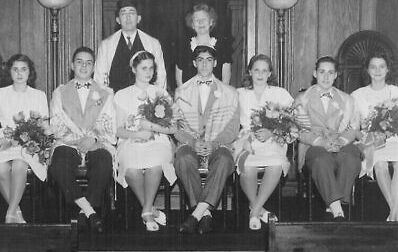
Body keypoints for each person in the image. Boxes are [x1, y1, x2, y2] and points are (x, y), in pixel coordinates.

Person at [48, 47, 116, 233]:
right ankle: (90, 212)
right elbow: (56, 122)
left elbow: (108, 122)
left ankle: (85, 212)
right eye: (79, 61)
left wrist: (92, 138)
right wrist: (78, 139)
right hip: (69, 142)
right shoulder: (60, 92)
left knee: (103, 161)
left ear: (94, 67)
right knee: (59, 164)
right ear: (72, 65)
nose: (84, 66)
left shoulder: (105, 93)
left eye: (88, 62)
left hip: (96, 141)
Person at [174, 45, 239, 234]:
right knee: (183, 159)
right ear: (194, 63)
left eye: (208, 59)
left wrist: (214, 144)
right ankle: (205, 214)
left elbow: (233, 128)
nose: (204, 64)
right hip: (191, 143)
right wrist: (193, 142)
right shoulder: (182, 91)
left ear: (215, 63)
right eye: (200, 60)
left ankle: (196, 214)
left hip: (218, 144)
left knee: (225, 160)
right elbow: (176, 127)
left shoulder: (230, 92)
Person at [113, 51, 177, 231]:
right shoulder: (122, 95)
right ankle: (150, 210)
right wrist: (137, 135)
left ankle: (146, 212)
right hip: (131, 140)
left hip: (157, 140)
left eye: (151, 68)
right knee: (131, 170)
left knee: (155, 165)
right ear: (134, 69)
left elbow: (173, 128)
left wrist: (151, 128)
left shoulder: (160, 92)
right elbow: (118, 130)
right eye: (143, 68)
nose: (148, 72)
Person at [294, 56, 361, 221]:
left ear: (336, 75)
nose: (326, 77)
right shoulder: (303, 98)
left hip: (340, 142)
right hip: (314, 144)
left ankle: (332, 202)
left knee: (352, 158)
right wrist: (323, 142)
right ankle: (337, 208)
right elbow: (300, 131)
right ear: (314, 73)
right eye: (322, 72)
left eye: (330, 72)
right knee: (321, 161)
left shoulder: (347, 99)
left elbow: (353, 128)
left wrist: (341, 141)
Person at [0, 54, 49, 223]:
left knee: (19, 164)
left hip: (29, 144)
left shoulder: (39, 95)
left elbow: (43, 127)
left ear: (30, 72)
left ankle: (10, 213)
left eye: (24, 69)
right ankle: (18, 214)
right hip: (4, 142)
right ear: (10, 72)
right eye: (15, 69)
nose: (19, 73)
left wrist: (24, 140)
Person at [235, 54, 294, 230]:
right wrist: (244, 140)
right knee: (248, 167)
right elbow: (229, 122)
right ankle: (259, 209)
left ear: (270, 74)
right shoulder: (239, 93)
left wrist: (272, 132)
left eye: (264, 71)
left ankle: (254, 210)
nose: (260, 75)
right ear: (250, 72)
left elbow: (292, 120)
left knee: (276, 164)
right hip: (248, 141)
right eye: (256, 70)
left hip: (273, 140)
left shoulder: (280, 93)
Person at [351, 53, 398, 222]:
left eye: (381, 66)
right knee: (381, 164)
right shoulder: (357, 95)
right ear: (367, 70)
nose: (377, 71)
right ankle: (395, 213)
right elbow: (354, 128)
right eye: (373, 67)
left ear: (388, 69)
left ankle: (393, 214)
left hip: (395, 139)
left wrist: (392, 131)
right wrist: (368, 138)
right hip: (371, 141)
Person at [94, 0, 167, 92]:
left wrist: (156, 101)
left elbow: (160, 75)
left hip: (145, 100)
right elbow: (100, 77)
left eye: (132, 12)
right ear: (118, 20)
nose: (128, 17)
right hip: (115, 100)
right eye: (123, 13)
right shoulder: (106, 45)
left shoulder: (153, 43)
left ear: (138, 18)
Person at [175, 3, 232, 86]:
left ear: (211, 22)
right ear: (192, 24)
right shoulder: (183, 49)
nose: (201, 23)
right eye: (197, 20)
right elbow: (179, 81)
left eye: (204, 19)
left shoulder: (222, 48)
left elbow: (225, 81)